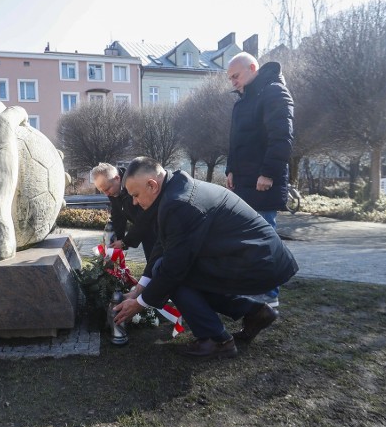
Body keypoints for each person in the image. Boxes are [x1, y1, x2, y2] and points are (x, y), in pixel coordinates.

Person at [114, 157, 298, 359]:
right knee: (168, 269)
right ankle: (254, 312)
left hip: (258, 261)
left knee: (174, 275)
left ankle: (217, 340)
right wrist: (140, 288)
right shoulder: (174, 189)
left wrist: (140, 303)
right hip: (252, 255)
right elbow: (163, 246)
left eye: (136, 194)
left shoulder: (178, 204)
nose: (134, 202)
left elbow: (174, 268)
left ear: (152, 185)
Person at [225, 52, 294, 309]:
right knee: (247, 242)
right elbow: (236, 143)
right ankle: (252, 290)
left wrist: (268, 174)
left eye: (236, 75)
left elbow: (281, 138)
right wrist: (230, 169)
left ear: (252, 68)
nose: (232, 81)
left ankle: (269, 295)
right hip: (243, 184)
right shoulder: (243, 102)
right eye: (230, 77)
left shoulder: (274, 92)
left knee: (264, 240)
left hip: (263, 183)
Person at [91, 163, 158, 281]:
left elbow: (145, 218)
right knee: (152, 263)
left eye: (107, 189)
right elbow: (118, 215)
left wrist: (125, 242)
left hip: (157, 227)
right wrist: (118, 239)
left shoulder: (134, 183)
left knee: (157, 262)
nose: (106, 194)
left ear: (117, 178)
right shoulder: (113, 187)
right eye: (102, 191)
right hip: (145, 230)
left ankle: (155, 292)